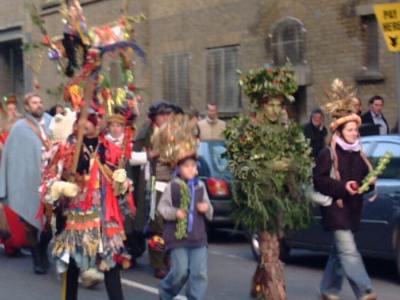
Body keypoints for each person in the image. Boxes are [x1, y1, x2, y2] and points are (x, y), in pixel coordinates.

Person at [47, 112, 134, 300]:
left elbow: (121, 184)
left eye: (88, 120)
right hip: (76, 215)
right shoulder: (66, 148)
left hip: (103, 214)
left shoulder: (109, 149)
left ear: (97, 125)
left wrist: (122, 183)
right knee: (72, 264)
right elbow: (49, 178)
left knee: (110, 264)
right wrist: (61, 186)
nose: (83, 124)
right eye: (80, 120)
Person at [314, 79, 377, 300]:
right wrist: (342, 187)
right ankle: (365, 291)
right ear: (339, 131)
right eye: (350, 130)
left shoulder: (358, 152)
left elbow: (363, 180)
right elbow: (319, 181)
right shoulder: (328, 153)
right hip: (335, 209)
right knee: (349, 252)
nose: (354, 133)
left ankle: (328, 289)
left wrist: (369, 183)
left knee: (339, 253)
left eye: (356, 130)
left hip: (352, 209)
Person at [154, 115, 213, 300]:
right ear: (179, 168)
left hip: (198, 238)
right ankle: (165, 292)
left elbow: (210, 211)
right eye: (186, 166)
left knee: (199, 274)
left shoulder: (200, 186)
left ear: (196, 168)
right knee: (180, 272)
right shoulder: (173, 186)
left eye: (193, 166)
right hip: (178, 238)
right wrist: (175, 213)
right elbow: (161, 208)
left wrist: (206, 209)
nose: (190, 169)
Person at [0, 92, 53, 273]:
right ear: (27, 107)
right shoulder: (20, 127)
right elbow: (11, 156)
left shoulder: (53, 122)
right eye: (34, 102)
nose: (38, 105)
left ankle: (42, 249)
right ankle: (37, 257)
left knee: (50, 225)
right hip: (29, 181)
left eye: (40, 101)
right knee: (30, 224)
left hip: (52, 181)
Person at [127, 100, 175, 278]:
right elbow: (130, 158)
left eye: (168, 114)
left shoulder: (175, 133)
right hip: (153, 185)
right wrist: (150, 155)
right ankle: (158, 263)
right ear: (154, 117)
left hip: (173, 182)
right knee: (157, 225)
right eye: (162, 114)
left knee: (173, 225)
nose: (166, 118)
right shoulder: (145, 133)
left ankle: (167, 255)